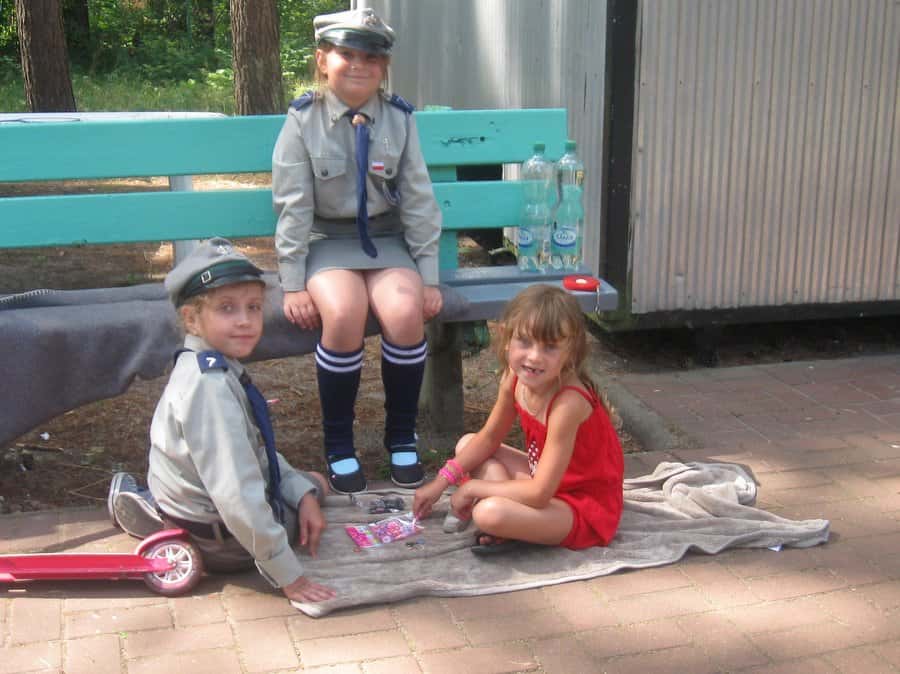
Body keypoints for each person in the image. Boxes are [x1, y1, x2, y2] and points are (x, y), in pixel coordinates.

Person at [271, 7, 442, 494]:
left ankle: (401, 436)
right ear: (322, 60)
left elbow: (419, 200)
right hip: (328, 243)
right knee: (344, 313)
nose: (359, 65)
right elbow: (293, 207)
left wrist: (428, 276)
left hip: (387, 242)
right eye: (347, 54)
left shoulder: (400, 120)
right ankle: (339, 444)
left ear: (383, 66)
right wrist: (292, 282)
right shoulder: (303, 120)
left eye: (371, 57)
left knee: (406, 311)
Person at [109, 237, 335, 604]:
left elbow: (252, 451)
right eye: (227, 308)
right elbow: (238, 494)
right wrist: (288, 575)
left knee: (304, 487)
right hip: (224, 541)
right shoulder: (210, 388)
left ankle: (158, 510)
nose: (245, 321)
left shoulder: (205, 365)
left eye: (254, 307)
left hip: (192, 508)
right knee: (318, 483)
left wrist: (299, 492)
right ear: (192, 319)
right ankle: (174, 528)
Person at [413, 284, 624, 553]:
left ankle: (508, 523)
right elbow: (488, 438)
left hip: (581, 505)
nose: (534, 357)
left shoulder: (568, 404)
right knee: (467, 444)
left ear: (570, 352)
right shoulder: (513, 379)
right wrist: (440, 482)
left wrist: (472, 488)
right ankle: (514, 523)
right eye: (525, 341)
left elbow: (539, 493)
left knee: (489, 513)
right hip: (544, 481)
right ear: (506, 337)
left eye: (550, 347)